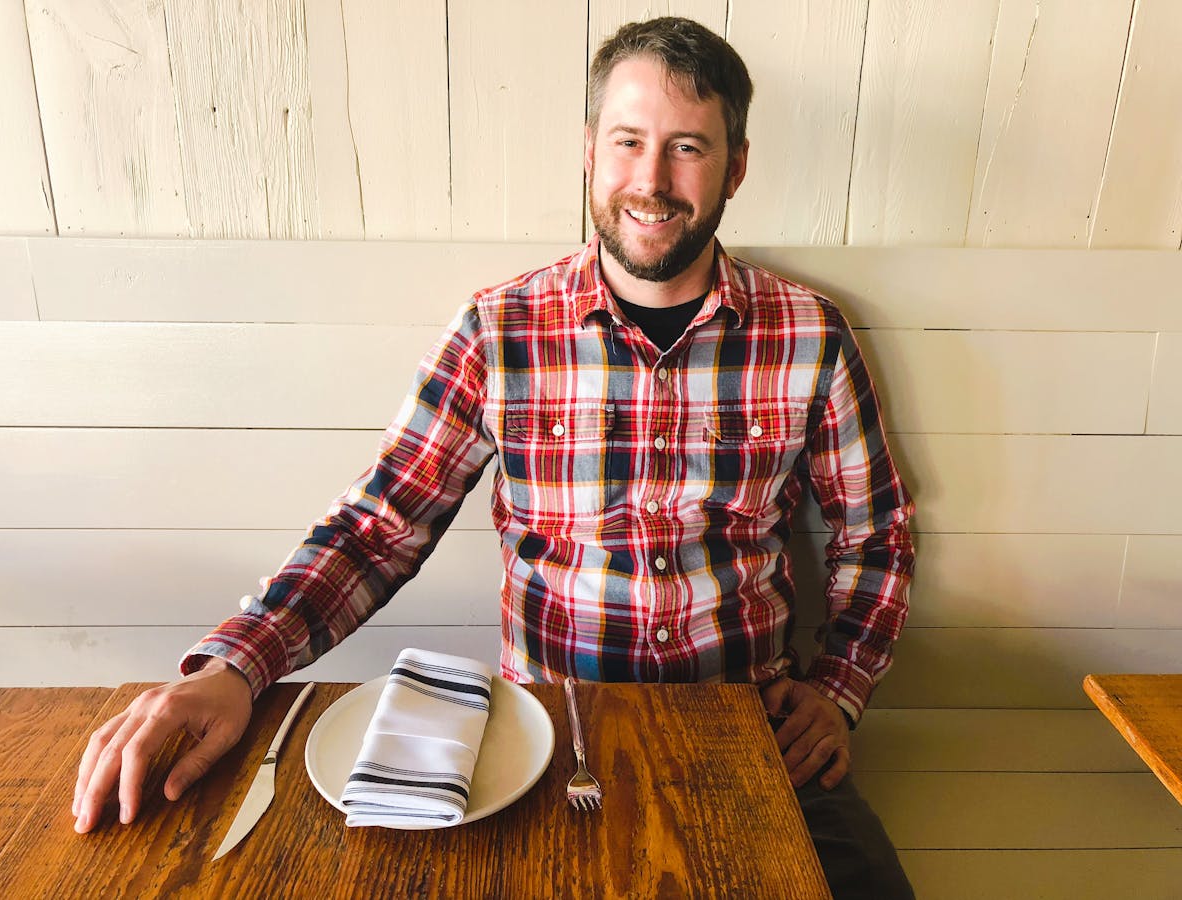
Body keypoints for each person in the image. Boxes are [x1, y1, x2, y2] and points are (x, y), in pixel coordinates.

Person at [72, 16, 915, 899]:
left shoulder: (809, 334)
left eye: (688, 148)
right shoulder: (498, 331)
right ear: (591, 150)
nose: (652, 181)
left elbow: (878, 534)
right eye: (628, 142)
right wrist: (235, 668)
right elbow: (376, 530)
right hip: (545, 742)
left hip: (753, 737)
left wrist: (839, 686)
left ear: (736, 165)